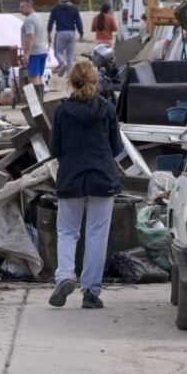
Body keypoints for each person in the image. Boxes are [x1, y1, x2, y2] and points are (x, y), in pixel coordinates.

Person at [48, 61, 123, 310]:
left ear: (71, 82)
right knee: (96, 234)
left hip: (71, 178)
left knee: (68, 231)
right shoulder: (107, 109)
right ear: (96, 82)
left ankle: (65, 276)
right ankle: (90, 292)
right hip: (102, 178)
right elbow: (116, 148)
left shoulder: (62, 112)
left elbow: (55, 150)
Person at [48, 0, 83, 77]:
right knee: (70, 55)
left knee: (58, 52)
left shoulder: (55, 9)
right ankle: (70, 75)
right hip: (72, 32)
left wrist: (49, 33)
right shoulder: (74, 8)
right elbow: (78, 21)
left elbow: (50, 22)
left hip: (60, 32)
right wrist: (81, 33)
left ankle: (62, 63)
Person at [19, 0, 48, 98]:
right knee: (39, 76)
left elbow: (30, 37)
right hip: (43, 50)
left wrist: (26, 53)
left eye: (22, 7)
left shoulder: (29, 20)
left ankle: (36, 103)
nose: (20, 9)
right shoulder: (38, 17)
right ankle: (40, 99)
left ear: (29, 6)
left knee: (33, 76)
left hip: (34, 52)